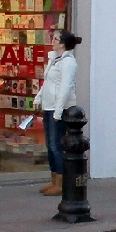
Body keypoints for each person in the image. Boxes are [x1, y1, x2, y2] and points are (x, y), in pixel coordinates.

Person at [33, 30, 79, 196]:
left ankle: (61, 182)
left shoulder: (68, 62)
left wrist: (58, 111)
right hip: (49, 105)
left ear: (63, 43)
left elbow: (65, 88)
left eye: (56, 39)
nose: (53, 40)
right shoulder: (54, 59)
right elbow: (48, 83)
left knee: (56, 145)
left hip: (58, 108)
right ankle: (54, 179)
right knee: (50, 145)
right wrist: (39, 98)